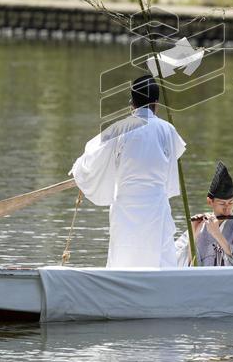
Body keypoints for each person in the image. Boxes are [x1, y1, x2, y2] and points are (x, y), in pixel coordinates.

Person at [69, 74, 185, 269]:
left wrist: (78, 170)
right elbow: (177, 151)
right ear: (156, 103)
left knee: (124, 255)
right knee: (158, 258)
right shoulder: (168, 130)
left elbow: (92, 156)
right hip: (155, 205)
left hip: (126, 206)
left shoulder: (119, 129)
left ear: (132, 103)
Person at [175, 161, 233, 267]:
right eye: (222, 203)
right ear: (210, 201)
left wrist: (217, 235)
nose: (227, 208)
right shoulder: (199, 226)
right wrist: (193, 234)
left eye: (231, 202)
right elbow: (177, 263)